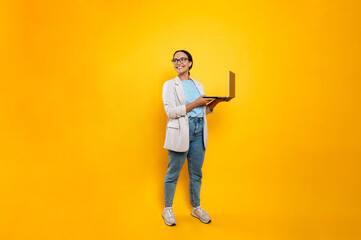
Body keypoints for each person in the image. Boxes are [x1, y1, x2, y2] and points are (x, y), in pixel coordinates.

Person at [161, 50, 231, 226]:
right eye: (175, 60)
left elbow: (203, 110)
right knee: (173, 173)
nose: (178, 62)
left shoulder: (198, 85)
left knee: (196, 173)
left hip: (199, 130)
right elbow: (170, 112)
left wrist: (217, 102)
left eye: (182, 59)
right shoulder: (169, 85)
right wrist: (196, 103)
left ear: (190, 63)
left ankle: (196, 207)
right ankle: (167, 209)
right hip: (181, 131)